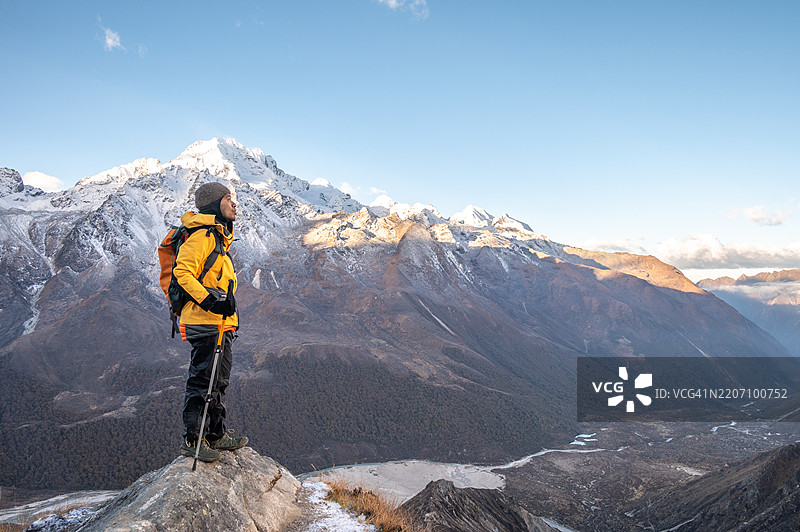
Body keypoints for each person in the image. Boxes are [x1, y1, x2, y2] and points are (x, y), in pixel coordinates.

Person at [175, 182, 248, 462]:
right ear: (215, 203)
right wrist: (211, 302)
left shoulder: (218, 236)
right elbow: (183, 272)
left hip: (220, 323)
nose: (234, 203)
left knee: (219, 381)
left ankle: (215, 435)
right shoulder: (202, 235)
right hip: (206, 322)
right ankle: (193, 440)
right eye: (229, 198)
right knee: (203, 382)